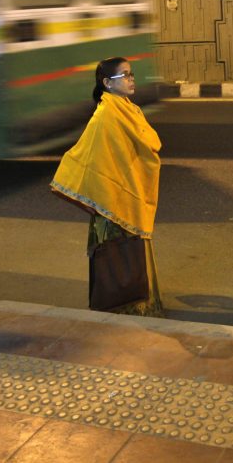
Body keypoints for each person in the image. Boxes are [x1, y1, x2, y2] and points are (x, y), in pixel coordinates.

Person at [50, 57, 164, 316]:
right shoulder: (105, 117)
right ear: (107, 84)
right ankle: (121, 310)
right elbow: (87, 157)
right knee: (117, 260)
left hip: (130, 196)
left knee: (132, 255)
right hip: (110, 205)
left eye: (131, 74)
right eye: (124, 75)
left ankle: (140, 304)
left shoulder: (128, 109)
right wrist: (97, 199)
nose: (131, 79)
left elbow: (147, 147)